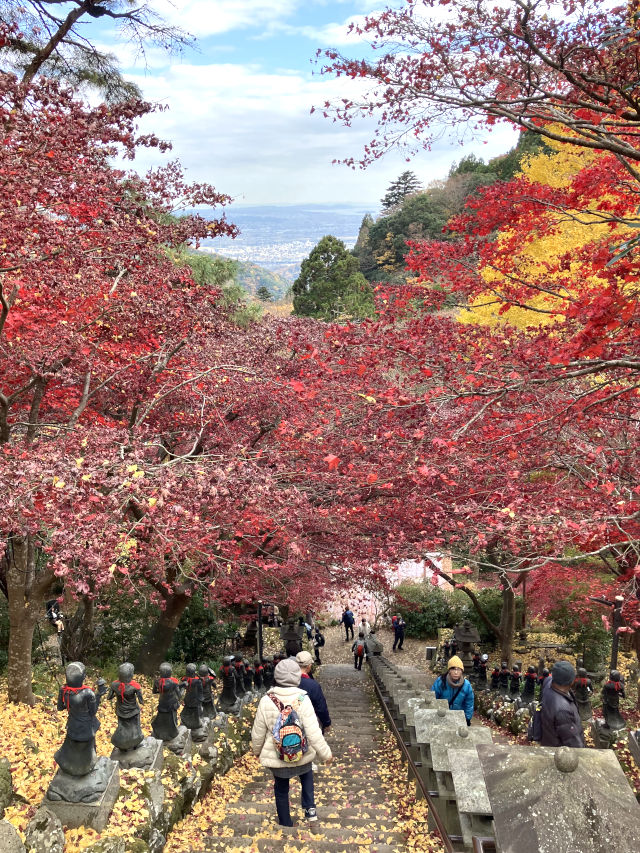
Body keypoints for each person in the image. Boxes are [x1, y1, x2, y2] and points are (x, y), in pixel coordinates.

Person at [251, 658, 332, 826]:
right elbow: (313, 731)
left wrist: (256, 750)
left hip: (278, 754)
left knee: (281, 788)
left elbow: (258, 731)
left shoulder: (267, 700)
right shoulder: (303, 699)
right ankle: (311, 813)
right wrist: (326, 754)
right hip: (301, 752)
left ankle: (285, 822)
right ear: (297, 677)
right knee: (307, 777)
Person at [540, 660, 585, 748]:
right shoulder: (563, 711)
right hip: (560, 751)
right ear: (571, 682)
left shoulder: (548, 682)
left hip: (549, 739)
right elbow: (573, 743)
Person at [431, 655, 474, 726]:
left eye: (458, 669)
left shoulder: (466, 685)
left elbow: (469, 703)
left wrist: (467, 718)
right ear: (449, 670)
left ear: (462, 671)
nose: (456, 672)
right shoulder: (441, 682)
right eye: (453, 669)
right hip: (442, 716)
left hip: (458, 718)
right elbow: (433, 698)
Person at [296, 651, 331, 733]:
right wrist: (326, 722)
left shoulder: (288, 681)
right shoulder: (313, 685)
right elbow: (321, 707)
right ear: (308, 666)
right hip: (309, 724)